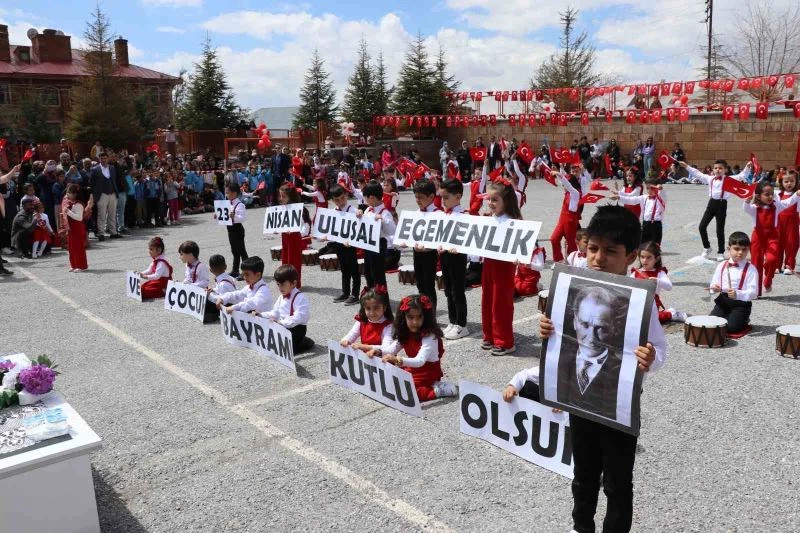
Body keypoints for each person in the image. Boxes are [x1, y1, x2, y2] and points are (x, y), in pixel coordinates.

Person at [540, 205, 667, 533]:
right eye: (592, 248)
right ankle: (581, 526)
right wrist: (547, 329)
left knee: (617, 482)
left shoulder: (641, 301)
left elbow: (660, 348)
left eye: (610, 251)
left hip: (619, 405)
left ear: (631, 256)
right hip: (580, 402)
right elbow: (562, 336)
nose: (598, 257)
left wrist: (650, 359)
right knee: (583, 474)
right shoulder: (574, 286)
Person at [371, 294, 458, 401]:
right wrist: (379, 352)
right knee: (388, 380)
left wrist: (399, 360)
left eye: (419, 317)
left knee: (407, 393)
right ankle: (429, 385)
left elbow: (420, 361)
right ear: (404, 317)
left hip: (428, 371)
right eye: (410, 317)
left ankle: (437, 391)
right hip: (412, 367)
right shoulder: (406, 332)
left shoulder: (430, 336)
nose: (415, 322)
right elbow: (392, 349)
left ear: (425, 317)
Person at [481, 175, 522, 356]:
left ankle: (505, 341)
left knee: (501, 303)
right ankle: (489, 335)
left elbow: (523, 245)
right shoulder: (490, 218)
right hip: (489, 264)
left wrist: (518, 256)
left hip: (504, 266)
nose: (490, 202)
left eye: (495, 199)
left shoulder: (514, 222)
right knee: (487, 300)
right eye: (489, 199)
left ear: (506, 201)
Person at [679, 159, 751, 261]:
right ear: (713, 169)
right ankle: (707, 248)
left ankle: (721, 252)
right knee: (702, 226)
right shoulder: (710, 179)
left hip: (722, 204)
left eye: (720, 168)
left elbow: (742, 176)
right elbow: (698, 174)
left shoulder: (729, 179)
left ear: (725, 170)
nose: (718, 170)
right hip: (711, 203)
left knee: (719, 230)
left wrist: (748, 166)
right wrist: (686, 166)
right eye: (716, 168)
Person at [741, 180, 799, 295]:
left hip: (772, 237)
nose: (770, 196)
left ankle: (768, 279)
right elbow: (746, 209)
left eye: (772, 193)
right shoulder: (754, 208)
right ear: (758, 196)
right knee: (756, 263)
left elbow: (788, 202)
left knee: (772, 259)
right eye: (767, 194)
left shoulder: (777, 205)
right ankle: (756, 290)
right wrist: (747, 201)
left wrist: (796, 194)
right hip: (758, 237)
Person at [708, 232, 758, 333]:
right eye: (736, 249)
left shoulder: (751, 269)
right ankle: (729, 316)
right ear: (728, 249)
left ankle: (744, 319)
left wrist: (738, 294)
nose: (740, 252)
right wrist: (714, 287)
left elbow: (754, 292)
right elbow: (714, 281)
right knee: (712, 324)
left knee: (731, 328)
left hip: (741, 304)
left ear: (748, 250)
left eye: (744, 250)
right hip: (723, 301)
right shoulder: (722, 265)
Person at [439, 179, 470, 339]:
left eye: (446, 197)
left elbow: (469, 239)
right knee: (448, 289)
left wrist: (460, 247)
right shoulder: (444, 214)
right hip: (445, 255)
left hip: (457, 257)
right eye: (441, 197)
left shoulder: (464, 215)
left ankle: (462, 324)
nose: (442, 201)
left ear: (458, 197)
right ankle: (452, 320)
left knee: (457, 291)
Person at [260, 264, 313, 352]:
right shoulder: (281, 297)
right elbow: (275, 313)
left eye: (283, 284)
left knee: (286, 351)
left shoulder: (300, 298)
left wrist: (281, 323)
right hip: (283, 326)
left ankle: (304, 342)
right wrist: (260, 314)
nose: (280, 288)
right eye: (278, 284)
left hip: (296, 329)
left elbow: (298, 318)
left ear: (294, 283)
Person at [630, 241, 687, 323]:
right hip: (637, 301)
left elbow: (669, 287)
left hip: (652, 303)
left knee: (649, 320)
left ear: (656, 259)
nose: (644, 260)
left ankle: (671, 314)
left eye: (648, 257)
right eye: (642, 257)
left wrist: (658, 281)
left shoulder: (659, 272)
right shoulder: (635, 272)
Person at [359, 182, 396, 292]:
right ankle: (371, 296)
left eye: (365, 198)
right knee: (368, 272)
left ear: (372, 198)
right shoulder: (368, 209)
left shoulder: (384, 212)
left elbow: (392, 230)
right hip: (368, 244)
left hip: (379, 244)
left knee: (378, 274)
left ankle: (382, 300)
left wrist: (382, 220)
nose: (364, 200)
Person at [409, 179, 441, 309]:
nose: (417, 200)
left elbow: (439, 237)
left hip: (429, 254)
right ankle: (423, 312)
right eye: (416, 197)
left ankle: (431, 315)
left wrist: (427, 246)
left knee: (429, 286)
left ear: (431, 197)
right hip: (417, 252)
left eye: (420, 197)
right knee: (420, 284)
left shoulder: (438, 214)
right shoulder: (416, 213)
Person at [328, 185, 360, 305]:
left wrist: (359, 213)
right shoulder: (333, 212)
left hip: (350, 244)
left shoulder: (352, 210)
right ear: (332, 200)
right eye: (337, 200)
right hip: (339, 244)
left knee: (354, 270)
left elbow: (359, 223)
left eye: (342, 198)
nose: (340, 202)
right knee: (344, 269)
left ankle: (355, 294)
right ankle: (345, 292)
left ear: (346, 196)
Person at [277, 184, 312, 289]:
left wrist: (298, 233)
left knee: (294, 261)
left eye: (284, 196)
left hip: (295, 237)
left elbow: (306, 225)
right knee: (285, 259)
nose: (281, 198)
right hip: (285, 237)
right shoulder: (282, 208)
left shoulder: (300, 209)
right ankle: (285, 282)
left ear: (290, 196)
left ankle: (295, 284)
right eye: (280, 196)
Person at [340, 285, 394, 352]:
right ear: (364, 308)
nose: (372, 312)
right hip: (365, 358)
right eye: (368, 308)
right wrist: (346, 340)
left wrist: (365, 347)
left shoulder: (388, 325)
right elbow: (351, 334)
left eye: (376, 308)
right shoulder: (361, 322)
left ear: (384, 308)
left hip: (382, 359)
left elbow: (387, 347)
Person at [614, 178, 666, 245]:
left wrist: (660, 189)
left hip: (656, 225)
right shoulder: (644, 197)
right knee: (642, 244)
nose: (649, 190)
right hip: (645, 224)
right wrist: (619, 197)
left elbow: (662, 194)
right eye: (647, 188)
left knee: (655, 245)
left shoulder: (660, 198)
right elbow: (632, 200)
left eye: (652, 188)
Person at [550, 164, 584, 263]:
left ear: (571, 184)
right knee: (554, 239)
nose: (563, 186)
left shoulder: (575, 193)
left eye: (566, 185)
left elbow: (566, 183)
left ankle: (572, 263)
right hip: (562, 220)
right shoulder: (568, 192)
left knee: (571, 245)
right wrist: (557, 172)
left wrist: (558, 173)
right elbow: (564, 181)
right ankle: (558, 261)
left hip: (570, 221)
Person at [90, 152, 122, 241]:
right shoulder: (95, 169)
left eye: (105, 158)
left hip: (112, 194)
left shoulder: (112, 168)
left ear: (107, 159)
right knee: (101, 215)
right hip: (102, 194)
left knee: (112, 214)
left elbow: (114, 180)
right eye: (101, 158)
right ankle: (101, 233)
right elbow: (92, 183)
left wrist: (116, 192)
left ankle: (113, 232)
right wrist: (95, 195)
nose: (103, 160)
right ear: (99, 159)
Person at [220, 182, 248, 279]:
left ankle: (246, 271)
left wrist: (234, 216)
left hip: (237, 229)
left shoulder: (240, 204)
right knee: (234, 251)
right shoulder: (227, 204)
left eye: (228, 193)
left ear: (234, 193)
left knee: (241, 251)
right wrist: (218, 216)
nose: (226, 195)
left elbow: (242, 218)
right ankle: (235, 270)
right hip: (230, 229)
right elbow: (224, 216)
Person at [776, 170, 799, 273]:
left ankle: (789, 265)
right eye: (786, 181)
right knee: (777, 243)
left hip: (792, 222)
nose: (789, 183)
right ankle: (776, 265)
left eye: (792, 181)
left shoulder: (798, 194)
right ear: (781, 182)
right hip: (779, 222)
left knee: (791, 243)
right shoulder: (778, 194)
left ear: (796, 182)